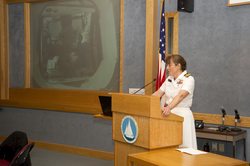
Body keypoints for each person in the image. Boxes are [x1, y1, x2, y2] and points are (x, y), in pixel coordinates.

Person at [152, 54, 197, 149]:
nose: (167, 68)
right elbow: (158, 93)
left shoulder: (188, 79)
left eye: (169, 65)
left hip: (182, 116)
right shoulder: (169, 79)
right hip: (169, 115)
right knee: (169, 146)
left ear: (178, 66)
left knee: (184, 147)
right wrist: (144, 101)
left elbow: (181, 96)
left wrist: (169, 107)